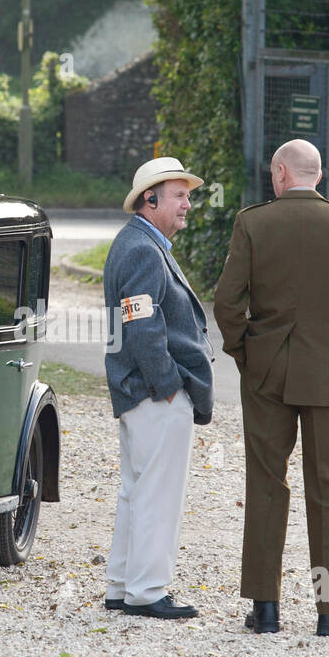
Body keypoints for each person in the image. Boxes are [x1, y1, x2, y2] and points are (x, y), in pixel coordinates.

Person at [213, 139, 329, 636]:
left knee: (266, 484)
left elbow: (227, 303)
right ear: (319, 176)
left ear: (282, 173)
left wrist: (247, 352)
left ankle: (265, 609)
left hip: (266, 371)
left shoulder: (253, 222)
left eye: (274, 173)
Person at [102, 157, 215, 619]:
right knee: (156, 493)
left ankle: (123, 585)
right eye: (179, 195)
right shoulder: (143, 249)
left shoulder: (143, 243)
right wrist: (169, 385)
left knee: (137, 488)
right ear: (151, 200)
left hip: (143, 390)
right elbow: (141, 323)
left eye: (187, 194)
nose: (188, 203)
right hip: (154, 392)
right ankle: (147, 591)